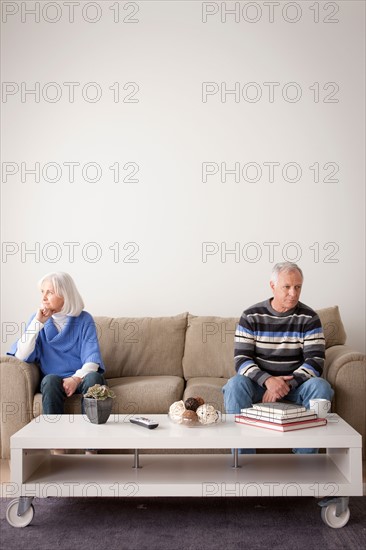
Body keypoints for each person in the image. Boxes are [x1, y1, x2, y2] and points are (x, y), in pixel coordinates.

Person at [222, 262, 333, 454]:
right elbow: (241, 359)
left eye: (298, 287)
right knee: (235, 384)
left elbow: (315, 361)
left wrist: (283, 386)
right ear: (272, 286)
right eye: (287, 287)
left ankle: (305, 461)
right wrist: (268, 382)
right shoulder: (250, 316)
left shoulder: (310, 318)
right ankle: (242, 462)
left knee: (321, 386)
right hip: (258, 386)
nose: (293, 293)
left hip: (296, 386)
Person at [8, 271, 106, 415]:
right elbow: (21, 356)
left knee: (94, 378)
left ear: (65, 295)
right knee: (49, 380)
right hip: (54, 381)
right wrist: (37, 324)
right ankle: (53, 433)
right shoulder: (37, 320)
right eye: (42, 292)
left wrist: (75, 379)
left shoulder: (84, 320)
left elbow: (92, 360)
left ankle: (91, 431)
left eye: (50, 293)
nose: (43, 298)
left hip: (82, 378)